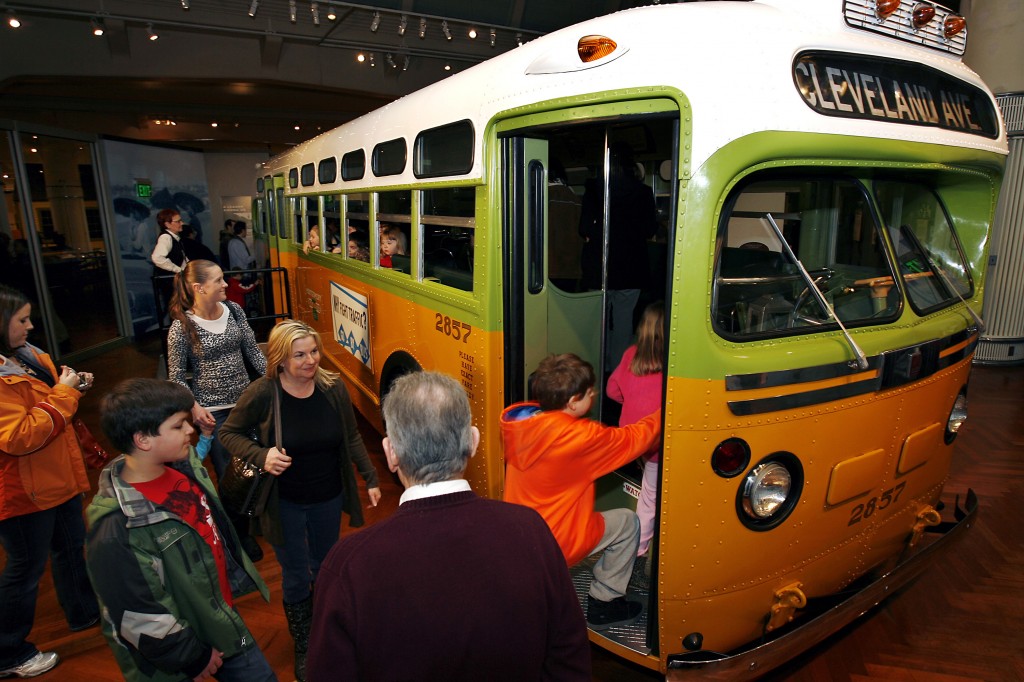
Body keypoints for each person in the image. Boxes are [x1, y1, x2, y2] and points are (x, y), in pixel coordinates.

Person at [307, 371, 590, 681]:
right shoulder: (530, 529)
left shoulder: (348, 565)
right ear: (473, 441)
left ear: (391, 453)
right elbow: (568, 658)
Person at [219, 320, 381, 682]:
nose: (311, 360)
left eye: (314, 351)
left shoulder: (333, 388)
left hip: (327, 496)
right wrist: (262, 456)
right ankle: (305, 643)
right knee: (294, 575)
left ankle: (327, 633)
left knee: (325, 567)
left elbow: (352, 437)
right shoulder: (263, 392)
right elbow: (227, 432)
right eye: (300, 355)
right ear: (279, 360)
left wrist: (370, 476)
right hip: (285, 503)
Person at [86, 378, 275, 682]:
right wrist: (192, 657)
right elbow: (140, 615)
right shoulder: (115, 530)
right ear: (143, 440)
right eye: (178, 426)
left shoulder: (184, 467)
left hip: (219, 614)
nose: (190, 430)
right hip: (178, 650)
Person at [501, 352, 661, 630]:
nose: (595, 394)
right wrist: (667, 408)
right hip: (557, 542)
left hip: (518, 537)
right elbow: (637, 438)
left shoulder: (522, 422)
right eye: (590, 392)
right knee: (628, 522)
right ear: (574, 401)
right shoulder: (580, 438)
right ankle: (605, 603)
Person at [0, 285, 99, 679]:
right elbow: (19, 435)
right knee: (25, 571)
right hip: (24, 491)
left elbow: (52, 398)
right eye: (21, 319)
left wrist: (73, 388)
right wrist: (63, 394)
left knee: (72, 548)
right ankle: (9, 652)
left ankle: (84, 613)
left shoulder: (28, 356)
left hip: (57, 478)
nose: (31, 325)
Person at [167, 259, 266, 561]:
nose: (226, 284)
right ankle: (238, 535)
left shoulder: (235, 311)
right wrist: (194, 407)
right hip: (215, 413)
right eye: (220, 280)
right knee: (230, 476)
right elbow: (175, 378)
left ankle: (256, 517)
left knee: (257, 465)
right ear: (199, 288)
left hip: (247, 404)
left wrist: (275, 381)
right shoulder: (181, 327)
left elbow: (254, 354)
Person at [579, 142, 658, 371]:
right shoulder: (643, 192)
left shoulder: (594, 190)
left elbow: (584, 228)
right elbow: (650, 229)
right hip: (631, 268)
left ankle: (596, 366)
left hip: (599, 268)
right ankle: (617, 371)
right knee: (623, 322)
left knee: (598, 323)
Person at [607, 301, 664, 561]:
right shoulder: (674, 367)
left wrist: (632, 402)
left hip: (630, 434)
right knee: (650, 497)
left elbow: (612, 391)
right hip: (654, 442)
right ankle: (639, 550)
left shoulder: (631, 354)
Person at [150, 208, 188, 314]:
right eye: (178, 221)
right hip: (170, 283)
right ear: (167, 224)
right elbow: (157, 258)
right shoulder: (166, 238)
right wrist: (178, 270)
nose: (182, 223)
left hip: (175, 282)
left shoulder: (175, 238)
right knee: (177, 311)